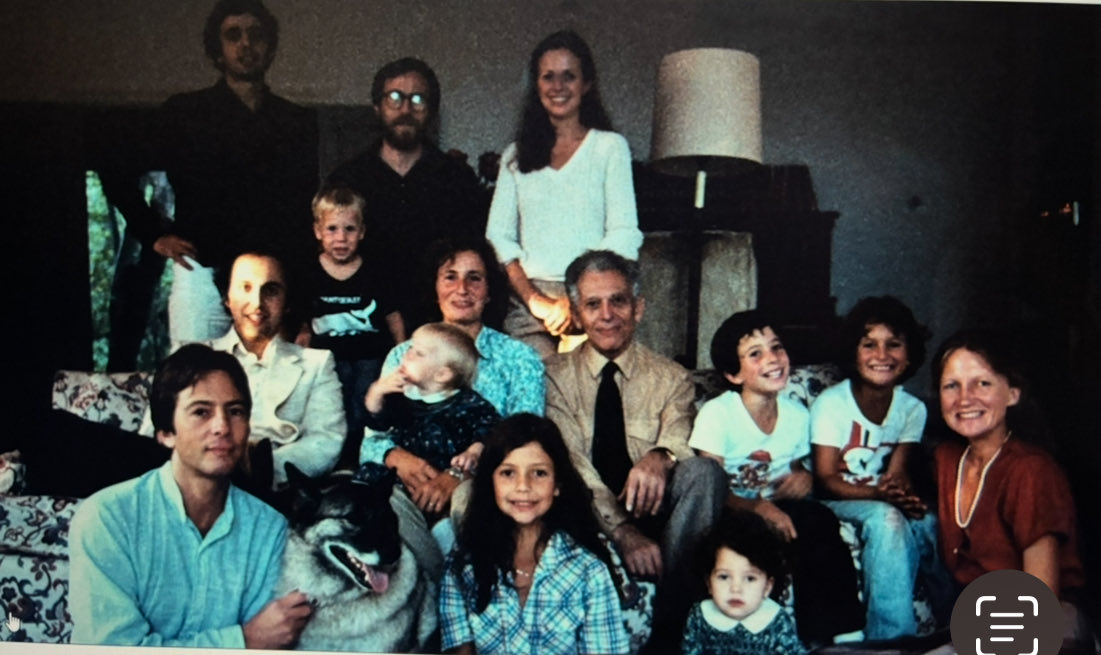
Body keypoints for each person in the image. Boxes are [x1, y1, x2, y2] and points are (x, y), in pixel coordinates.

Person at [98, 0, 318, 347]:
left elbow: (302, 213)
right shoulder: (185, 114)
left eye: (256, 35)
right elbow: (114, 165)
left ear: (270, 47)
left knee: (271, 375)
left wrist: (302, 303)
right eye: (233, 35)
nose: (246, 44)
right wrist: (153, 233)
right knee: (195, 370)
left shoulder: (295, 121)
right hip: (201, 269)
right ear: (217, 50)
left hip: (272, 276)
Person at [70, 344, 312, 647]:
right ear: (166, 433)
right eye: (201, 412)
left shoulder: (269, 529)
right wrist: (243, 640)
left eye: (235, 411)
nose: (222, 427)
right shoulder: (108, 518)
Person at [544, 250, 726, 651]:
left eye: (618, 301)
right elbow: (572, 462)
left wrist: (661, 456)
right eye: (593, 304)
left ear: (638, 307)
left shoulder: (671, 378)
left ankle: (671, 632)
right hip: (587, 513)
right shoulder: (554, 377)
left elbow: (680, 436)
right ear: (576, 314)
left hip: (657, 513)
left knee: (704, 473)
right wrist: (623, 533)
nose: (607, 315)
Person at [689, 311, 864, 644]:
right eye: (755, 354)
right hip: (731, 511)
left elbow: (796, 467)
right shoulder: (718, 414)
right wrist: (757, 508)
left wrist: (804, 477)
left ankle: (840, 636)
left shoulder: (796, 414)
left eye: (776, 347)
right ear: (733, 374)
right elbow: (709, 488)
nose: (772, 359)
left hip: (778, 509)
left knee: (817, 521)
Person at [485, 30, 643, 359]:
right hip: (530, 301)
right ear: (536, 85)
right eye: (548, 77)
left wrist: (582, 299)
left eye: (569, 76)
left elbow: (624, 232)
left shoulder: (609, 147)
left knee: (590, 388)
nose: (558, 86)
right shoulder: (515, 155)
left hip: (596, 299)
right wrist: (537, 302)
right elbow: (499, 236)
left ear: (586, 84)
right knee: (531, 386)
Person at [140, 251, 345, 489]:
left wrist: (258, 467)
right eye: (245, 288)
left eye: (271, 291)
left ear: (286, 302)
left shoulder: (315, 364)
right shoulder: (190, 356)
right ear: (227, 297)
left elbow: (326, 441)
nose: (257, 303)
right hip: (193, 477)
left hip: (268, 486)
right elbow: (151, 434)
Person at [809, 296, 943, 639]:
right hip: (838, 498)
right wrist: (879, 495)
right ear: (853, 352)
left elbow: (897, 472)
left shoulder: (912, 409)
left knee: (929, 521)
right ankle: (891, 639)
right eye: (869, 345)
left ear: (909, 354)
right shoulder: (832, 404)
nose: (882, 355)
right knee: (887, 520)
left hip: (880, 495)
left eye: (893, 344)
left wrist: (902, 494)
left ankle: (954, 624)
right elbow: (825, 479)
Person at [440, 414, 629, 655]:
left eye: (539, 473)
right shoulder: (465, 563)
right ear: (491, 482)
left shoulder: (588, 569)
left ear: (557, 485)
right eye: (508, 473)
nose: (523, 486)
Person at [327, 58, 484, 330]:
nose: (406, 109)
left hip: (439, 324)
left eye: (418, 99)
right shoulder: (347, 179)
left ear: (431, 110)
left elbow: (475, 258)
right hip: (363, 326)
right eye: (395, 98)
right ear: (377, 107)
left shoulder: (458, 179)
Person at [932, 329, 1085, 602]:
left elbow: (1042, 596)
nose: (964, 398)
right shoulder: (947, 460)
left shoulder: (1031, 471)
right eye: (951, 386)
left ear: (1013, 394)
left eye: (983, 384)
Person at [297, 186, 405, 467]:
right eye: (332, 229)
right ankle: (334, 462)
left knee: (363, 406)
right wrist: (304, 331)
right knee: (333, 406)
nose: (341, 238)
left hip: (369, 355)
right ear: (317, 231)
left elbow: (392, 314)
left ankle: (360, 461)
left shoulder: (374, 272)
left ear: (362, 232)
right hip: (329, 358)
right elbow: (302, 313)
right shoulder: (309, 272)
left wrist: (401, 349)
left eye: (349, 229)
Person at [383, 238, 545, 418]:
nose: (462, 289)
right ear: (434, 287)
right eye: (450, 277)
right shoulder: (402, 356)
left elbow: (525, 431)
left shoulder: (519, 358)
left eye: (474, 278)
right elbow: (380, 432)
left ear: (489, 291)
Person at [359, 322, 501, 514]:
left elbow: (491, 427)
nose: (407, 354)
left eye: (419, 353)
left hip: (447, 477)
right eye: (410, 348)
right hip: (405, 479)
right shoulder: (400, 396)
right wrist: (376, 394)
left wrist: (474, 451)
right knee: (369, 478)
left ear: (442, 374)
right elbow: (379, 426)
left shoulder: (467, 402)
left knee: (469, 500)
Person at [682, 510, 807, 655]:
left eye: (750, 579)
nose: (736, 588)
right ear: (709, 583)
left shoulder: (776, 620)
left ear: (767, 587)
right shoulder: (700, 615)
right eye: (724, 577)